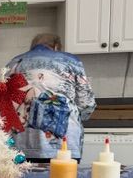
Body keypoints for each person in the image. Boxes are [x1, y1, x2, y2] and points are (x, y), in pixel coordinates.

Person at [5, 33, 96, 162]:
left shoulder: (14, 62)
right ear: (56, 46)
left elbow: (4, 102)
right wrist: (79, 116)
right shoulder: (72, 61)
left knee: (23, 175)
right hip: (64, 144)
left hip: (21, 142)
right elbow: (86, 103)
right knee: (64, 175)